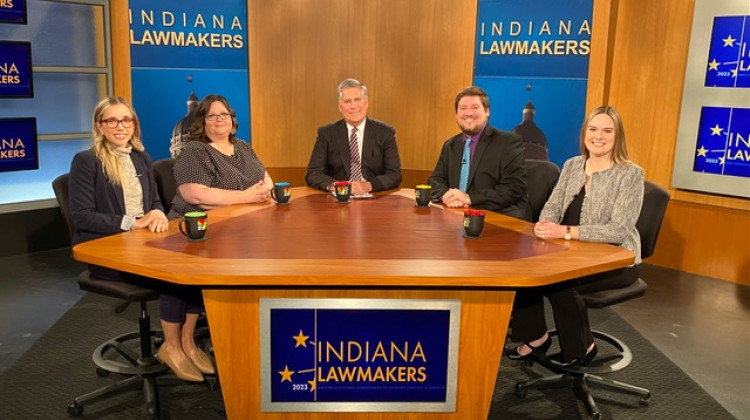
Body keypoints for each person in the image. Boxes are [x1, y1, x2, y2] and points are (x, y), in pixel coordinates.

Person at [69, 96, 212, 382]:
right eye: (112, 120)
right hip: (105, 250)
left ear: (134, 124)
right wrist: (133, 223)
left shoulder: (140, 156)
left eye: (126, 119)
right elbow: (83, 216)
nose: (120, 126)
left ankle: (188, 343)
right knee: (172, 276)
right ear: (99, 125)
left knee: (198, 267)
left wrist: (158, 214)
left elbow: (156, 201)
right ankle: (171, 349)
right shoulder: (86, 161)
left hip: (142, 243)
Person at [507, 106, 644, 367]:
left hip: (616, 260)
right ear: (584, 134)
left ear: (618, 136)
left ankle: (582, 350)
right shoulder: (572, 165)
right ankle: (536, 337)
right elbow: (554, 204)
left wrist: (565, 232)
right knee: (524, 270)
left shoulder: (630, 174)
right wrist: (547, 223)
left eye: (607, 130)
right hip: (571, 253)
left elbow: (619, 230)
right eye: (593, 129)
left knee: (559, 284)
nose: (598, 136)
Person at [428, 86, 531, 220]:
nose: (469, 113)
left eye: (475, 108)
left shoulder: (508, 142)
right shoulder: (450, 145)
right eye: (463, 108)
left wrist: (469, 198)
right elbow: (436, 179)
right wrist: (447, 196)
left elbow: (514, 188)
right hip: (456, 216)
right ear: (456, 114)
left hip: (497, 218)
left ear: (487, 112)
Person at [168, 94, 272, 219]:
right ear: (202, 122)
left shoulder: (243, 146)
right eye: (212, 116)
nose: (219, 119)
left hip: (243, 219)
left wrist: (263, 192)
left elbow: (266, 178)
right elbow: (195, 195)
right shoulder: (195, 149)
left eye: (224, 114)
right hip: (198, 225)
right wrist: (246, 196)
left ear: (232, 119)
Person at [306, 78, 402, 196]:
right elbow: (313, 173)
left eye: (357, 100)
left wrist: (368, 185)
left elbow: (394, 175)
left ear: (366, 102)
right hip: (337, 200)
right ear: (340, 106)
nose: (353, 106)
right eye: (347, 101)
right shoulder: (326, 133)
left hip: (373, 199)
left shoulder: (385, 132)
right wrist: (337, 186)